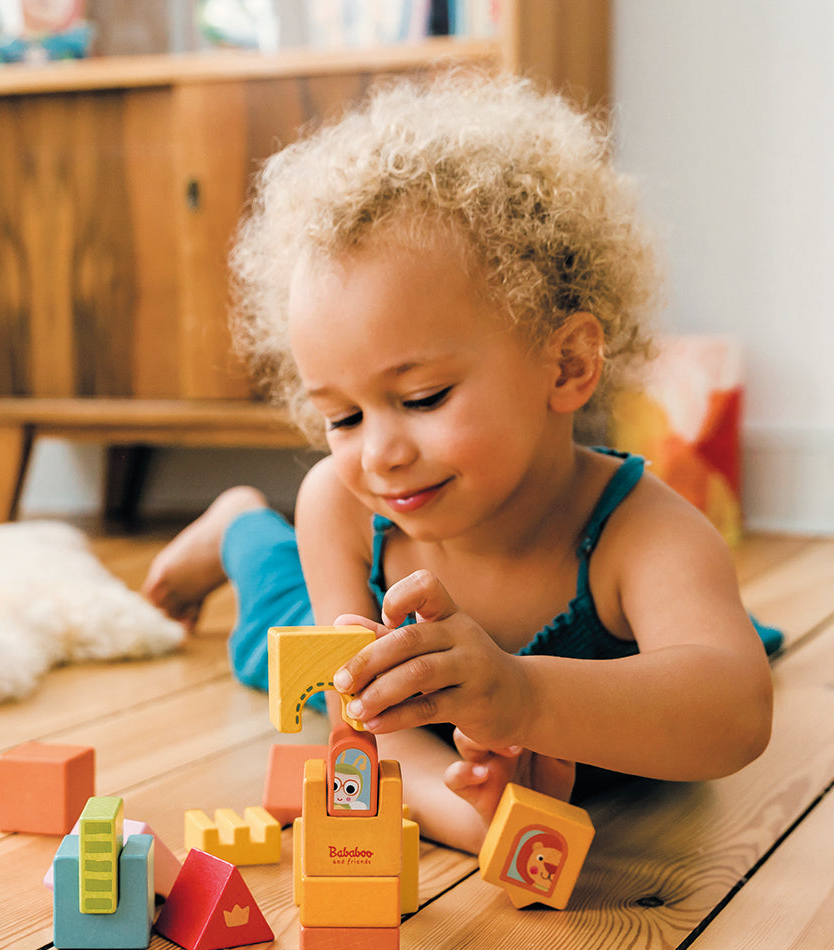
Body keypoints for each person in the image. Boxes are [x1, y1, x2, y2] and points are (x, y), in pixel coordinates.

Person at [144, 73, 775, 853]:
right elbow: (367, 743)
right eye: (341, 416)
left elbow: (736, 713)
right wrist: (478, 822)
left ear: (568, 364)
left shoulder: (641, 535)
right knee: (273, 620)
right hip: (326, 589)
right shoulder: (343, 506)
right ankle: (237, 523)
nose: (378, 453)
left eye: (424, 396)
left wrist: (521, 695)